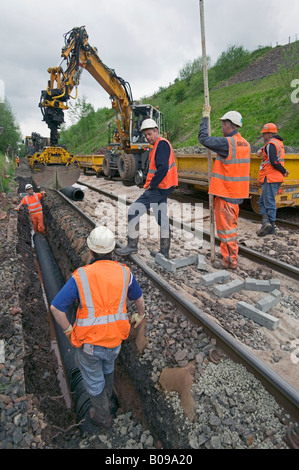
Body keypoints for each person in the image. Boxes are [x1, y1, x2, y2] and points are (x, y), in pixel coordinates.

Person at [50, 225, 145, 428]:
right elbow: (139, 298)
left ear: (91, 251)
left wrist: (69, 333)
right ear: (112, 251)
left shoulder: (81, 276)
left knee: (93, 381)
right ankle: (109, 402)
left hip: (90, 346)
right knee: (108, 367)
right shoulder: (124, 273)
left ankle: (103, 416)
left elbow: (56, 308)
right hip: (115, 342)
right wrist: (141, 315)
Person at [116, 118, 178, 259]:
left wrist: (152, 185)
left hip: (159, 188)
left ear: (156, 131)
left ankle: (132, 246)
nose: (148, 137)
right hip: (165, 187)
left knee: (133, 211)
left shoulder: (161, 145)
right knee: (161, 216)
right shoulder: (159, 145)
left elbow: (162, 168)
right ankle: (164, 251)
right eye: (146, 135)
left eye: (150, 134)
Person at [198, 105, 251, 269]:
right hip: (235, 195)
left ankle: (229, 262)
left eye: (223, 124)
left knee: (227, 232)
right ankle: (229, 256)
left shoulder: (229, 143)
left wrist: (205, 117)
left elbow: (204, 139)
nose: (221, 128)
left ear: (229, 124)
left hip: (226, 195)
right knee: (231, 230)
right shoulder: (245, 144)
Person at [256, 123, 289, 237]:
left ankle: (271, 227)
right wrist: (261, 149)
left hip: (270, 177)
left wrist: (283, 170)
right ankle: (266, 223)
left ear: (270, 134)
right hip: (273, 177)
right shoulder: (277, 143)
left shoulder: (271, 144)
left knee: (269, 202)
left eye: (264, 134)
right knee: (261, 201)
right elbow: (270, 150)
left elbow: (274, 161)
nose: (263, 136)